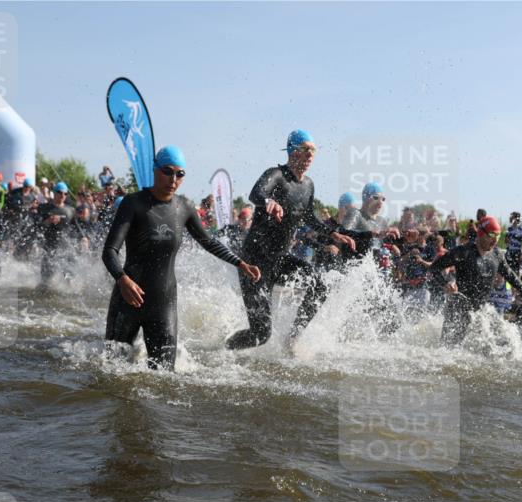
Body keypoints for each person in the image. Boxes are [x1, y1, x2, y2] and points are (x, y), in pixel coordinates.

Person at [103, 146, 260, 369]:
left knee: (164, 378)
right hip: (127, 299)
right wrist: (122, 279)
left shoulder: (184, 207)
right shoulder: (133, 203)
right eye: (167, 171)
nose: (173, 179)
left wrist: (240, 262)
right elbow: (109, 250)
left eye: (180, 174)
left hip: (163, 303)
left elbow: (208, 241)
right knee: (112, 372)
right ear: (155, 170)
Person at [225, 130, 355, 351]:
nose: (311, 154)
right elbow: (255, 194)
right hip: (254, 263)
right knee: (261, 334)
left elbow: (307, 217)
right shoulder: (276, 175)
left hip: (280, 259)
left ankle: (293, 336)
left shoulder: (308, 185)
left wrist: (332, 234)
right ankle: (224, 349)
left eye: (313, 150)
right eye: (306, 149)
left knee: (319, 284)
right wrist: (268, 201)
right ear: (293, 150)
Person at [428, 217, 522, 345]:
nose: (495, 239)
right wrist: (447, 282)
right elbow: (434, 268)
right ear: (480, 233)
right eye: (491, 235)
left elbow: (511, 276)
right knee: (448, 349)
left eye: (498, 235)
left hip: (482, 311)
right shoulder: (463, 252)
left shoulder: (497, 255)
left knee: (505, 343)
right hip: (458, 309)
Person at [37, 182, 85, 285]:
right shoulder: (44, 208)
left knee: (69, 279)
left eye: (65, 193)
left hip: (65, 247)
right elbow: (37, 227)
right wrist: (48, 221)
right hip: (49, 247)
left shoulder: (70, 210)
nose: (62, 195)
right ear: (54, 193)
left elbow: (76, 226)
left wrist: (83, 237)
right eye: (60, 192)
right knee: (45, 281)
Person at [505, 211, 522, 279]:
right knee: (508, 272)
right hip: (510, 252)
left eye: (511, 216)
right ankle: (509, 289)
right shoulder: (509, 228)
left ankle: (517, 288)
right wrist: (507, 237)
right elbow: (506, 242)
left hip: (519, 253)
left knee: (518, 273)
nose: (509, 218)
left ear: (516, 218)